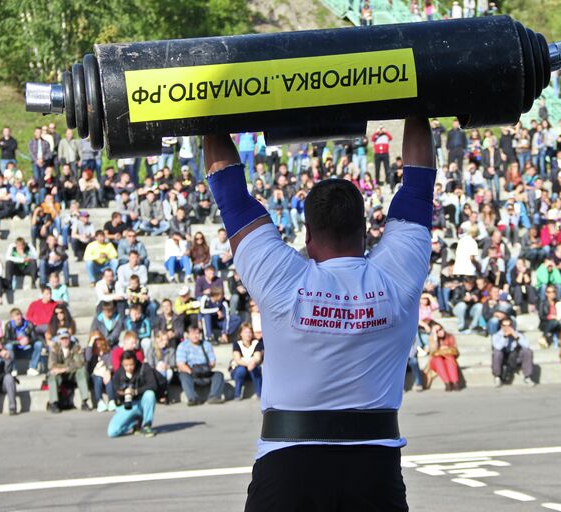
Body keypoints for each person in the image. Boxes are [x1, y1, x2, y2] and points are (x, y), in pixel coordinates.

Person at [203, 117, 434, 510]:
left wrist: (210, 112)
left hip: (287, 471)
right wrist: (420, 97)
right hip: (374, 473)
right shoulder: (398, 274)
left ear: (307, 236)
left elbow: (231, 194)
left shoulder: (282, 282)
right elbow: (418, 185)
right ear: (366, 231)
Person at [107, 350, 158, 438]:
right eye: (126, 365)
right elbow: (115, 393)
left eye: (131, 364)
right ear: (122, 363)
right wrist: (121, 393)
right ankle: (135, 423)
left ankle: (146, 425)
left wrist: (135, 391)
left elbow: (153, 385)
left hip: (141, 402)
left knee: (150, 394)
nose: (129, 367)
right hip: (128, 405)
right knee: (112, 432)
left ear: (135, 361)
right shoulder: (118, 373)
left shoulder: (144, 368)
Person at [176, 325, 225, 406]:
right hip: (191, 372)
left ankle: (214, 397)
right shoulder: (182, 346)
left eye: (197, 333)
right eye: (192, 333)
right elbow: (180, 364)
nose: (195, 336)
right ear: (188, 335)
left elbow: (212, 362)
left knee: (219, 375)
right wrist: (191, 372)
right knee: (183, 375)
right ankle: (192, 398)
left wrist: (207, 368)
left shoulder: (206, 345)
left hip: (205, 372)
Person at [47, 330, 91, 414]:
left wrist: (64, 368)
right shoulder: (55, 348)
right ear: (59, 340)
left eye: (66, 338)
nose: (65, 341)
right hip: (60, 375)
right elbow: (51, 365)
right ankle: (54, 403)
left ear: (70, 338)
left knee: (82, 371)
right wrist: (67, 367)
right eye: (62, 339)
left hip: (72, 375)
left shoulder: (76, 347)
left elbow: (80, 363)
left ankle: (84, 402)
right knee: (52, 375)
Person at [491, 316, 535, 386]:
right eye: (504, 325)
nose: (507, 327)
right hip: (503, 357)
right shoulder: (497, 335)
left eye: (509, 325)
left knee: (527, 351)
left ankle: (527, 377)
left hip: (515, 356)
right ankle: (497, 377)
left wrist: (516, 336)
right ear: (501, 325)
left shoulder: (517, 334)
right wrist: (505, 336)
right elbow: (498, 347)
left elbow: (527, 345)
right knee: (497, 353)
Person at [4, 308, 43, 377]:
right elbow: (6, 340)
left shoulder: (29, 324)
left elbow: (35, 337)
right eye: (15, 316)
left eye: (19, 315)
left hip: (27, 349)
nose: (18, 318)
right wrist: (18, 342)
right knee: (8, 346)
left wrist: (28, 340)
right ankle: (13, 369)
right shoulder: (9, 325)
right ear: (12, 318)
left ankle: (32, 367)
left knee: (39, 344)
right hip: (15, 350)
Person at [230, 323, 263, 400]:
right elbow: (237, 360)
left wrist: (252, 364)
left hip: (252, 368)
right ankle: (237, 395)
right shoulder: (237, 344)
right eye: (245, 332)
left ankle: (259, 393)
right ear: (241, 333)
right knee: (241, 370)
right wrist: (249, 364)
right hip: (239, 369)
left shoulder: (257, 343)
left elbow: (257, 357)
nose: (248, 334)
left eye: (250, 332)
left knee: (255, 369)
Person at [85, 333, 117, 412]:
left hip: (105, 373)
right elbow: (87, 358)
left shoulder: (107, 351)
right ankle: (99, 401)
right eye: (95, 341)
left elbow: (110, 364)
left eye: (99, 340)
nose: (97, 342)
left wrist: (108, 372)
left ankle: (111, 401)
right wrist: (90, 344)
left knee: (108, 379)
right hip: (94, 375)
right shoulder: (91, 352)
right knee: (98, 378)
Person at [427, 322, 460, 391]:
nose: (440, 332)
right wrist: (435, 338)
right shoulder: (431, 338)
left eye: (440, 329)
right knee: (438, 359)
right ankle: (447, 383)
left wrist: (447, 348)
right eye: (437, 331)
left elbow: (456, 352)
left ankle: (455, 382)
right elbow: (432, 352)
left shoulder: (450, 336)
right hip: (435, 362)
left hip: (448, 358)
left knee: (450, 358)